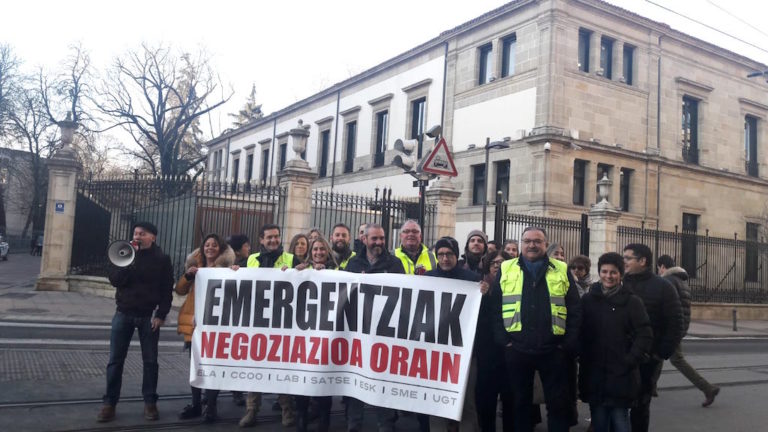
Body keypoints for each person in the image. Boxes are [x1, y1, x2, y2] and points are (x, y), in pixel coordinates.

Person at [490, 226, 581, 432]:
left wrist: (567, 344)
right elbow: (495, 308)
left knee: (557, 406)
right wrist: (505, 341)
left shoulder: (561, 268)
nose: (532, 245)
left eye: (537, 241)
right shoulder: (506, 268)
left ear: (545, 245)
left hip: (553, 349)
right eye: (527, 241)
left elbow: (574, 309)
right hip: (517, 349)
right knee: (520, 405)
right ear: (521, 244)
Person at [97, 222, 173, 423]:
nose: (138, 236)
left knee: (150, 362)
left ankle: (150, 402)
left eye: (143, 233)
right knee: (115, 361)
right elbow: (115, 280)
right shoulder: (124, 254)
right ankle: (109, 403)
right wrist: (128, 263)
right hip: (123, 313)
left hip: (148, 316)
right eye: (136, 233)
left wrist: (161, 314)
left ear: (152, 237)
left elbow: (166, 290)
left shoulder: (162, 259)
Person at [579, 252, 653, 432]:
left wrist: (630, 359)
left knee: (620, 418)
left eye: (613, 272)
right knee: (599, 418)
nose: (608, 276)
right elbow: (580, 331)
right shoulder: (588, 300)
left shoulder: (632, 302)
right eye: (604, 271)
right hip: (594, 371)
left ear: (620, 274)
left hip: (621, 372)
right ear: (599, 272)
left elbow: (645, 334)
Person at [345, 223, 405, 432]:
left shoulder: (395, 263)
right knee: (356, 382)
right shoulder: (353, 263)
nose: (379, 242)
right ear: (364, 240)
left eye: (382, 238)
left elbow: (404, 296)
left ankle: (386, 425)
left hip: (384, 334)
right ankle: (354, 425)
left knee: (383, 382)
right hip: (358, 333)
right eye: (374, 239)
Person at [240, 224, 300, 428]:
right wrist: (233, 271)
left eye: (277, 237)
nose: (274, 240)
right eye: (269, 237)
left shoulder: (291, 259)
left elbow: (307, 279)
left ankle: (287, 410)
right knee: (255, 367)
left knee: (280, 367)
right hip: (257, 322)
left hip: (283, 323)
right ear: (261, 240)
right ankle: (251, 410)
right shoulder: (251, 259)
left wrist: (297, 271)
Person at [622, 243, 683, 432]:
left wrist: (660, 353)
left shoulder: (663, 287)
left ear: (642, 261)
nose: (623, 262)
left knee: (640, 405)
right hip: (621, 354)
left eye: (627, 258)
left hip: (648, 357)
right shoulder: (620, 282)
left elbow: (675, 324)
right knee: (616, 402)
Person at [176, 234, 236, 422]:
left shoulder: (226, 269)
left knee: (213, 368)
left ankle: (210, 406)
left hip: (216, 326)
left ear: (220, 249)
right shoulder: (195, 268)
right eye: (207, 245)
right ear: (202, 249)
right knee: (196, 367)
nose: (210, 248)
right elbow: (179, 290)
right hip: (195, 326)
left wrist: (236, 272)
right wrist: (188, 276)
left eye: (214, 245)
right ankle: (195, 404)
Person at [426, 237, 482, 431]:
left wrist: (485, 292)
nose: (444, 258)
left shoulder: (472, 280)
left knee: (466, 402)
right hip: (435, 353)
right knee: (436, 402)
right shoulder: (428, 278)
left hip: (464, 353)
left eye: (449, 254)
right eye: (440, 254)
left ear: (456, 255)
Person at [657, 255, 720, 407]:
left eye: (658, 268)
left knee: (676, 359)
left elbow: (666, 307)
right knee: (657, 355)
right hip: (679, 326)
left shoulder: (668, 281)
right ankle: (650, 387)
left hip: (671, 328)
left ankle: (707, 388)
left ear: (663, 267)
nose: (658, 271)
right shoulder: (682, 281)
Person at [293, 236, 338, 432]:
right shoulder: (301, 271)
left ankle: (324, 420)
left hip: (327, 336)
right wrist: (293, 274)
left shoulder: (338, 273)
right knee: (303, 379)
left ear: (327, 251)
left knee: (323, 380)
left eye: (322, 249)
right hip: (304, 335)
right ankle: (301, 418)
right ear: (310, 252)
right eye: (315, 249)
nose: (319, 252)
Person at [477, 250, 514, 432]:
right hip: (486, 353)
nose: (498, 266)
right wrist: (481, 296)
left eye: (502, 263)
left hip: (509, 350)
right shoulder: (479, 286)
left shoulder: (515, 285)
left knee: (510, 399)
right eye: (494, 263)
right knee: (487, 401)